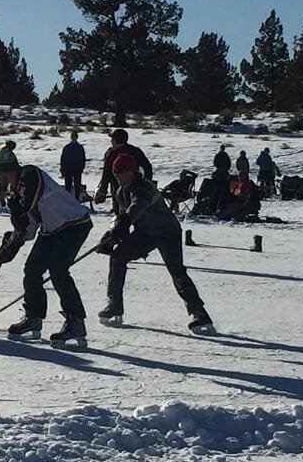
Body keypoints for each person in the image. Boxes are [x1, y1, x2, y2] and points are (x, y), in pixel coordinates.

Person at [0, 144, 93, 349]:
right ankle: (34, 317)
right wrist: (11, 245)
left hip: (73, 224)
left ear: (4, 170)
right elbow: (27, 226)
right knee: (32, 270)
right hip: (51, 229)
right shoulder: (15, 191)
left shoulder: (29, 174)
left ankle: (76, 321)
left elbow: (30, 202)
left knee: (58, 269)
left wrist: (18, 212)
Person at [97, 152, 213, 333]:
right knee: (118, 257)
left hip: (167, 232)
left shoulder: (144, 187)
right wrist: (111, 235)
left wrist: (124, 223)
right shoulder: (121, 192)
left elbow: (136, 208)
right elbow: (120, 216)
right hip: (145, 233)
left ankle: (199, 313)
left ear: (132, 172)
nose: (117, 176)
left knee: (177, 272)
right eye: (115, 172)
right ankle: (114, 304)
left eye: (121, 172)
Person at [94, 129, 153, 214]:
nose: (111, 141)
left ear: (116, 140)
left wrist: (103, 189)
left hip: (121, 187)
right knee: (133, 210)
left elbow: (106, 173)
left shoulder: (112, 154)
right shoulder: (135, 151)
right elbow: (147, 168)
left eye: (112, 139)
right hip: (133, 186)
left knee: (121, 211)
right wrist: (147, 182)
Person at [60, 130, 86, 199]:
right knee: (68, 186)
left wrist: (81, 169)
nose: (73, 138)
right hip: (68, 170)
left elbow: (83, 160)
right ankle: (68, 201)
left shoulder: (80, 148)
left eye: (75, 136)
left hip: (77, 170)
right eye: (72, 136)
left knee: (77, 186)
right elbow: (63, 159)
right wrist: (62, 170)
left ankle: (76, 201)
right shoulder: (67, 147)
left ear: (77, 137)